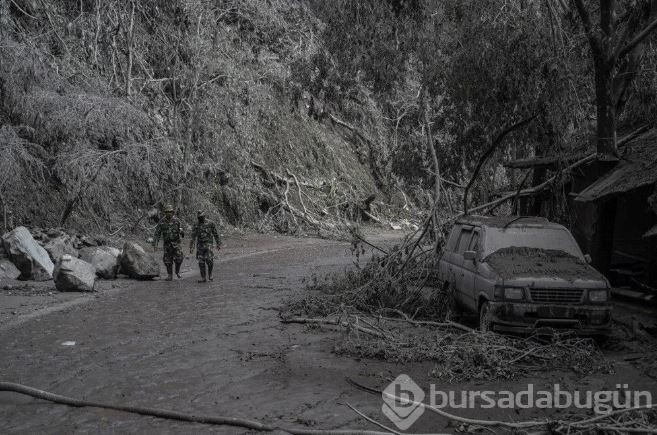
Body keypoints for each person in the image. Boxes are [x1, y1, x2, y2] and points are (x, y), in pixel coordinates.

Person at [152, 204, 184, 281]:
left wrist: (182, 232)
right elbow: (157, 233)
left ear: (173, 213)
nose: (168, 213)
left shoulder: (177, 221)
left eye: (170, 212)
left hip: (176, 243)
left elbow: (182, 234)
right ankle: (170, 275)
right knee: (167, 261)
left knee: (179, 258)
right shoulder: (162, 222)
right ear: (165, 213)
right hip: (167, 244)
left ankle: (177, 271)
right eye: (167, 212)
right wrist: (155, 244)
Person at [189, 211, 221, 283]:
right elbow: (193, 236)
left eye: (201, 217)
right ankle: (203, 277)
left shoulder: (210, 223)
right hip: (200, 245)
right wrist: (191, 247)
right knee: (201, 262)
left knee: (209, 260)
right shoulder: (196, 225)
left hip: (208, 244)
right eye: (199, 217)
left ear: (204, 216)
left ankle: (210, 275)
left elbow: (215, 233)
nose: (200, 219)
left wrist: (218, 243)